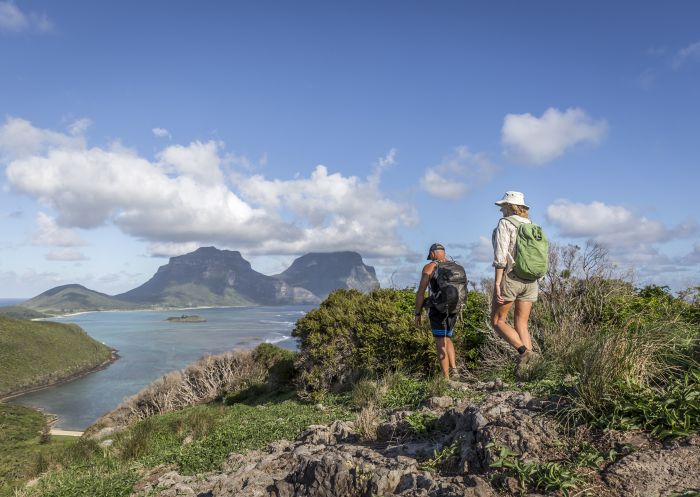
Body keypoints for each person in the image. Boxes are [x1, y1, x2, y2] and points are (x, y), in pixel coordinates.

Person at [491, 191, 539, 379]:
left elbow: (501, 255)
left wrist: (497, 282)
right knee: (522, 323)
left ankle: (524, 352)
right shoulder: (532, 226)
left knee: (497, 321)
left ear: (510, 207)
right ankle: (530, 370)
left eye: (503, 206)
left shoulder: (505, 224)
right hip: (531, 279)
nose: (501, 209)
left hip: (511, 277)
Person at [415, 243, 460, 379]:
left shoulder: (430, 268)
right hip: (454, 308)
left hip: (438, 309)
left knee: (440, 341)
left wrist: (417, 313)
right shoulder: (455, 267)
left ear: (433, 253)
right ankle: (455, 371)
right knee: (447, 338)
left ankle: (445, 378)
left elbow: (421, 292)